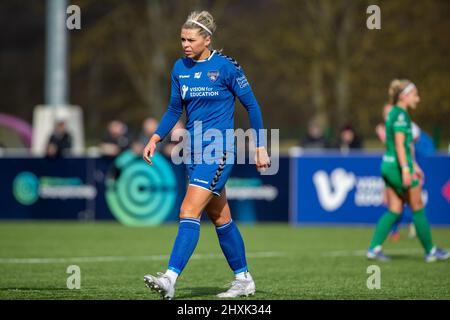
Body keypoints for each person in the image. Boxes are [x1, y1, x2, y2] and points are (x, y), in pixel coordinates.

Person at [142, 11, 270, 299]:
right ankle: (244, 279)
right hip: (192, 151)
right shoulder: (179, 68)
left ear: (207, 39)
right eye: (182, 39)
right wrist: (155, 137)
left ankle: (170, 278)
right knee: (221, 217)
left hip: (219, 149)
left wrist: (260, 145)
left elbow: (253, 106)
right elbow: (174, 109)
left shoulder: (226, 67)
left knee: (188, 210)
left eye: (190, 39)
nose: (185, 44)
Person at [366, 79, 449, 262]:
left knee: (395, 209)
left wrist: (414, 166)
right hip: (397, 166)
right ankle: (431, 251)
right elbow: (400, 145)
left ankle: (374, 248)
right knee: (417, 206)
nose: (418, 99)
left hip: (388, 165)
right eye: (415, 94)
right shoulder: (401, 115)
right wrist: (406, 168)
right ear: (404, 96)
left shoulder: (394, 113)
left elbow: (402, 145)